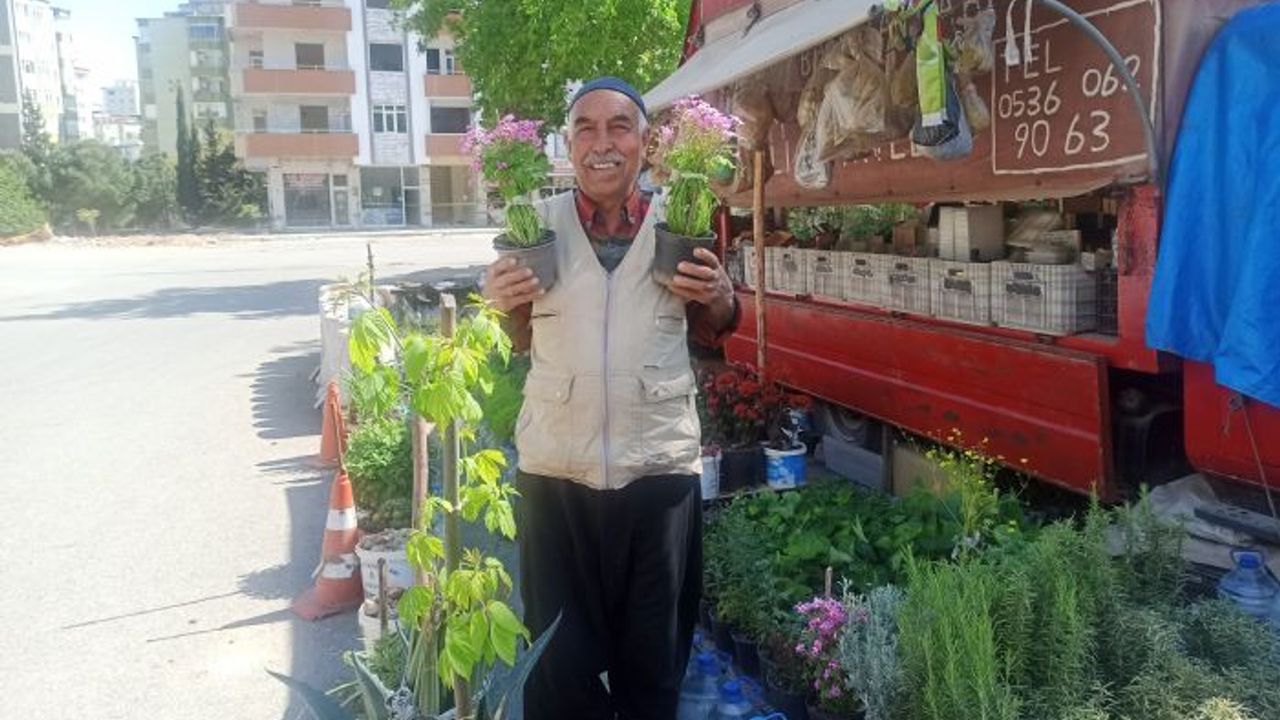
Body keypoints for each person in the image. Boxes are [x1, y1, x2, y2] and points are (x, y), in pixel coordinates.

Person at [482, 77, 739, 720]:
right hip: (556, 474)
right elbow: (513, 336)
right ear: (567, 148)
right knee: (556, 666)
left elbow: (717, 325)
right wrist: (498, 302)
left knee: (653, 665)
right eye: (586, 129)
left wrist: (720, 294)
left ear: (647, 144)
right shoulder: (530, 228)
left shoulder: (681, 220)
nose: (603, 143)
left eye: (620, 126)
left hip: (657, 473)